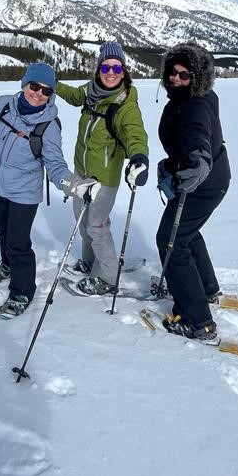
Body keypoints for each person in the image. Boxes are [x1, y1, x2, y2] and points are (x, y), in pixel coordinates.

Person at [0, 62, 100, 318]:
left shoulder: (49, 125)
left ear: (51, 95)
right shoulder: (4, 104)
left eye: (46, 91)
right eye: (34, 86)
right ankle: (7, 265)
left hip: (24, 193)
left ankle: (22, 292)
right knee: (2, 231)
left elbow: (55, 165)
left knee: (18, 243)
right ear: (25, 84)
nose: (38, 93)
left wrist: (74, 185)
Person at [53, 42, 149, 296]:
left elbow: (134, 132)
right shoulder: (90, 91)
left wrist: (139, 156)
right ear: (98, 69)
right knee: (82, 220)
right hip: (81, 170)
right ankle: (89, 260)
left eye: (116, 67)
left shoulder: (125, 103)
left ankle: (107, 277)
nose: (110, 72)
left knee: (97, 225)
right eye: (105, 66)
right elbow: (74, 97)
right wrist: (53, 83)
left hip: (104, 177)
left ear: (124, 71)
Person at [154, 41, 231, 344]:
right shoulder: (195, 96)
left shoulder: (194, 104)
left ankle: (197, 320)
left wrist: (198, 160)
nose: (176, 78)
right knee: (187, 233)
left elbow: (197, 132)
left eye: (185, 75)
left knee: (170, 241)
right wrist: (171, 164)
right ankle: (207, 289)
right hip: (209, 180)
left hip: (202, 183)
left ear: (197, 78)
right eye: (172, 72)